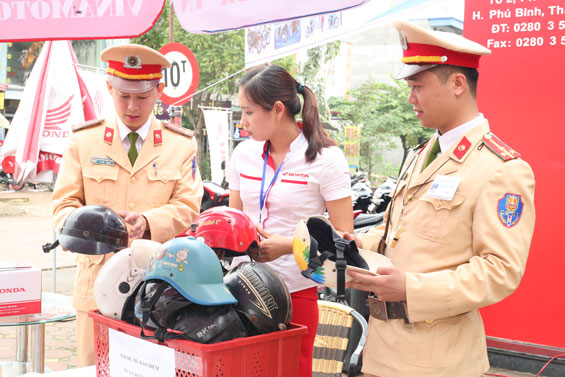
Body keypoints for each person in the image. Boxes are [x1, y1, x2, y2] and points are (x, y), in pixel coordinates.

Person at [344, 20, 536, 377]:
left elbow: (500, 271)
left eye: (417, 86)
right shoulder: (422, 154)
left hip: (438, 361)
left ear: (458, 84)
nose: (409, 98)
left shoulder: (500, 169)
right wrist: (359, 244)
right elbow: (400, 232)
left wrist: (411, 288)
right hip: (384, 350)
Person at [51, 43, 203, 367]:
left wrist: (147, 221)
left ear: (159, 91)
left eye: (142, 96)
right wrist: (73, 229)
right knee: (94, 370)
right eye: (123, 95)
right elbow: (63, 204)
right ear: (109, 87)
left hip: (159, 292)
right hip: (94, 288)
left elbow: (189, 207)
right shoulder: (83, 140)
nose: (132, 106)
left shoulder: (181, 145)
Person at [229, 64, 353, 377]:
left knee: (291, 370)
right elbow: (233, 219)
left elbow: (344, 243)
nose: (242, 123)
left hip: (296, 292)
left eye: (248, 112)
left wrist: (288, 247)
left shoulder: (326, 160)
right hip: (238, 287)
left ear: (278, 110)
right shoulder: (243, 154)